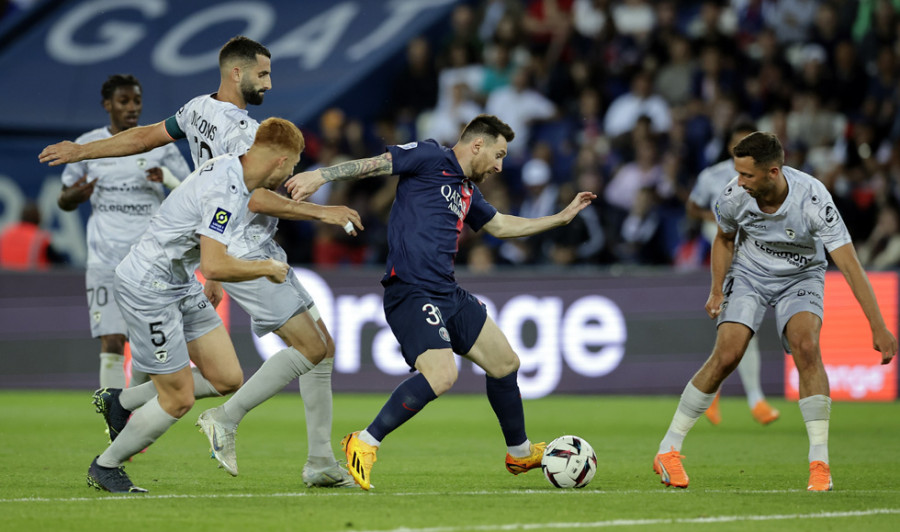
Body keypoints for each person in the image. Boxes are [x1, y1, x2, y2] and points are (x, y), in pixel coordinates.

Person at [39, 36, 361, 487]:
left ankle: (319, 460)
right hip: (242, 247)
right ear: (237, 72)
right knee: (313, 349)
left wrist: (83, 149)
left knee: (313, 349)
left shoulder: (195, 110)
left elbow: (144, 138)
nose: (269, 83)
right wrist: (320, 211)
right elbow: (256, 195)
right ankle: (230, 423)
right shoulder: (251, 135)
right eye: (263, 74)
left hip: (216, 241)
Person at [285, 114, 597, 490]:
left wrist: (559, 219)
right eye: (498, 155)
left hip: (447, 292)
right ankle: (363, 442)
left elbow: (500, 226)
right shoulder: (431, 157)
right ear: (477, 144)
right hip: (410, 290)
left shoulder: (467, 190)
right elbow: (378, 165)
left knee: (505, 363)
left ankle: (519, 452)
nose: (500, 166)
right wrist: (320, 176)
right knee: (442, 374)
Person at [653, 132, 897, 492]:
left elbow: (850, 266)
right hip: (750, 273)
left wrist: (878, 326)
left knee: (806, 347)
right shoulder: (734, 196)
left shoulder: (813, 200)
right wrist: (717, 288)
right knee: (727, 353)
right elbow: (723, 238)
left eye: (746, 175)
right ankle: (668, 449)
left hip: (802, 275)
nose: (738, 182)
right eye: (737, 173)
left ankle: (820, 464)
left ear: (773, 172)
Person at [84, 117, 302, 493]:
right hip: (147, 287)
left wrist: (214, 278)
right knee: (178, 397)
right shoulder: (227, 190)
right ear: (281, 161)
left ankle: (120, 401)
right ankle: (106, 466)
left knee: (227, 378)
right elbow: (213, 263)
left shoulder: (235, 168)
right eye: (294, 166)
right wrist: (265, 267)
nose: (290, 175)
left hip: (179, 282)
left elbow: (208, 251)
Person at [57, 74, 191, 389]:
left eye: (137, 101)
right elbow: (63, 200)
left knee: (148, 345)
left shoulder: (159, 144)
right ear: (108, 105)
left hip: (149, 262)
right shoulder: (88, 145)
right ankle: (115, 420)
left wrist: (168, 178)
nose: (132, 108)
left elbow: (190, 191)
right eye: (124, 101)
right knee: (113, 340)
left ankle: (132, 409)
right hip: (105, 260)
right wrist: (74, 195)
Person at [685, 121, 780, 426]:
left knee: (736, 327)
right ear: (730, 146)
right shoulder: (712, 176)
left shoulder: (769, 174)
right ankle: (755, 400)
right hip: (727, 255)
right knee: (742, 325)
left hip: (758, 254)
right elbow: (693, 206)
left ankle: (714, 395)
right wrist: (716, 219)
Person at [0, 201, 65, 270]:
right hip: (32, 279)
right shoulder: (40, 238)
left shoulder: (5, 234)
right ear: (39, 219)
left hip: (4, 279)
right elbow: (60, 264)